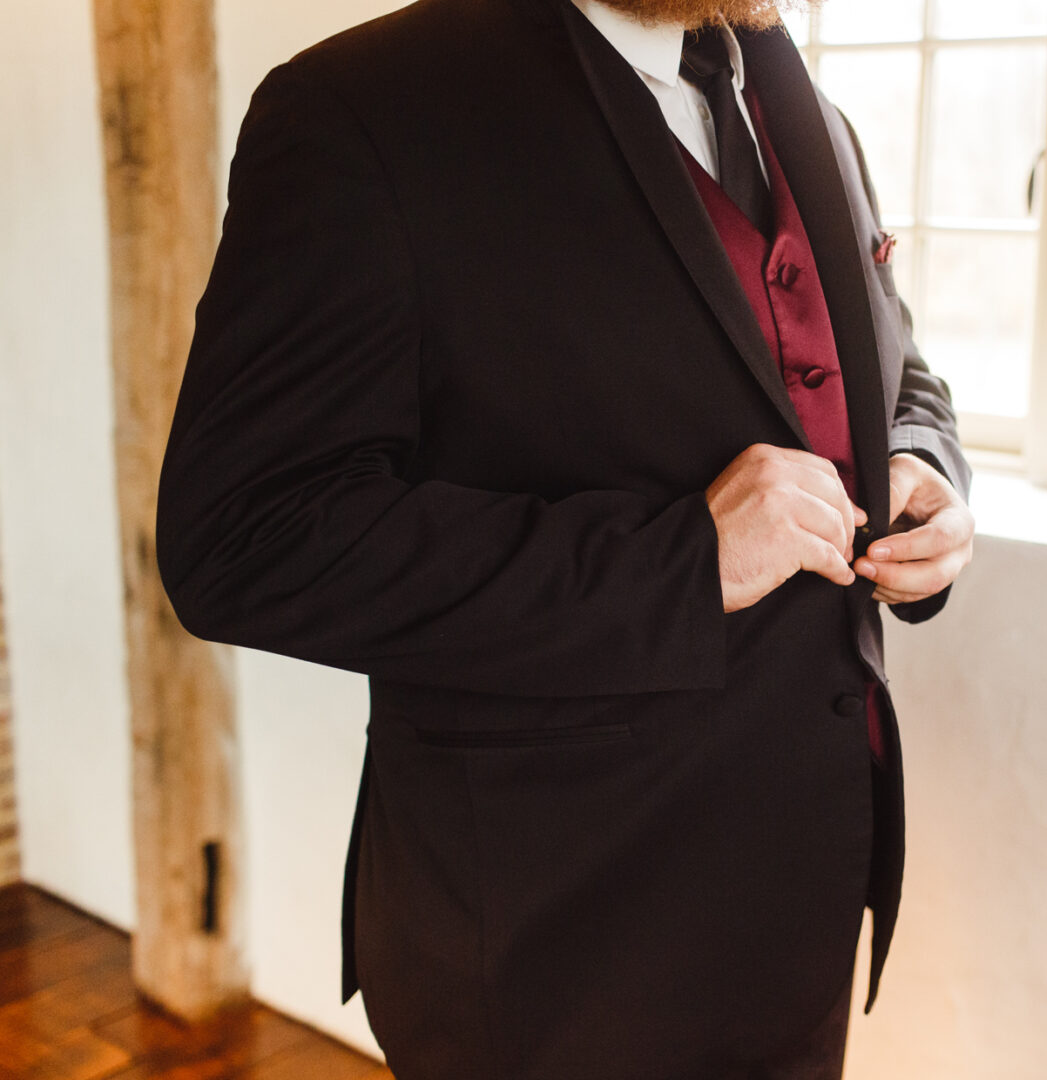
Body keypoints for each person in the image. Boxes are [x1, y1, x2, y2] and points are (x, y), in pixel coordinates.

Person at [155, 0, 973, 1075]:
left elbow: (892, 361)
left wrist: (926, 467)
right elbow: (244, 535)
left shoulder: (802, 103)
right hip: (553, 958)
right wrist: (680, 563)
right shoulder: (359, 113)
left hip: (803, 909)